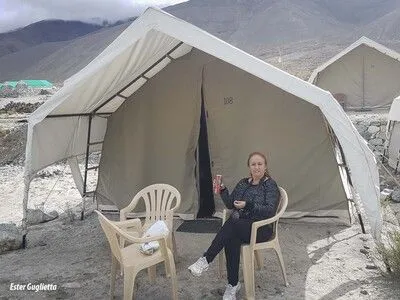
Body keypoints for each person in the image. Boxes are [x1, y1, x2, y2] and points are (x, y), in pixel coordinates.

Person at [188, 152, 280, 300]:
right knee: (232, 237)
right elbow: (231, 204)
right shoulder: (243, 183)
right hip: (241, 226)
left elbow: (269, 211)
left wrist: (247, 205)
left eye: (259, 164)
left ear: (265, 166)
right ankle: (233, 284)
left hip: (261, 228)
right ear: (249, 167)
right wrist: (223, 189)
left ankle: (206, 260)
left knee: (232, 225)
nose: (256, 167)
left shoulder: (269, 185)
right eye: (253, 164)